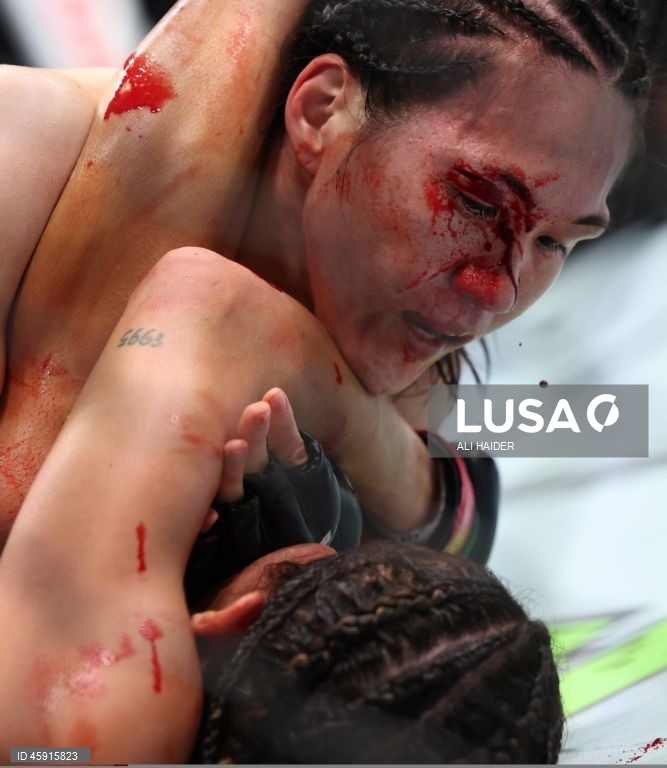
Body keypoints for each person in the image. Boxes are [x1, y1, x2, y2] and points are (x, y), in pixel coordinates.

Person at [0, 0, 650, 561]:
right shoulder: (19, 152)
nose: (497, 291)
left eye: (554, 242)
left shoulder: (397, 299)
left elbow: (588, 424)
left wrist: (346, 416)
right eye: (475, 203)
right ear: (319, 112)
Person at [0, 273, 563, 762]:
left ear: (231, 629)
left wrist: (388, 464)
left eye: (327, 571)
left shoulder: (97, 717)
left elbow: (212, 307)